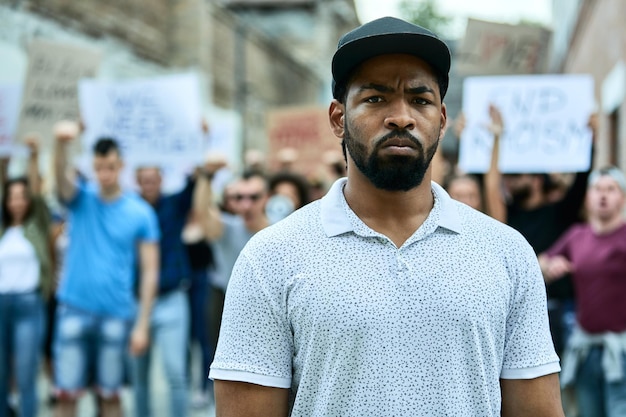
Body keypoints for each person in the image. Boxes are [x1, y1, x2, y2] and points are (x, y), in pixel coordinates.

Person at [209, 16, 563, 416]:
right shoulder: (270, 257)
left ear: (441, 121)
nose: (401, 116)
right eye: (375, 98)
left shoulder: (507, 253)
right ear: (338, 118)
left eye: (420, 99)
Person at [52, 121, 159, 417]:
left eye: (110, 166)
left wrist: (142, 323)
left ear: (121, 165)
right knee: (66, 395)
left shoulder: (140, 212)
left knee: (111, 397)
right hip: (74, 308)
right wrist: (60, 145)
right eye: (99, 167)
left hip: (116, 312)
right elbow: (60, 179)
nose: (104, 174)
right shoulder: (81, 199)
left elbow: (150, 271)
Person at [539, 166, 626, 417]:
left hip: (620, 350)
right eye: (598, 189)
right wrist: (549, 266)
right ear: (588, 197)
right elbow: (539, 263)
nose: (603, 195)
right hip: (585, 348)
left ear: (621, 197)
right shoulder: (577, 235)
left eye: (611, 189)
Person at [133, 166, 206, 417]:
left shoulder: (174, 205)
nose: (149, 185)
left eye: (153, 180)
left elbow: (192, 188)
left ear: (161, 180)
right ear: (138, 182)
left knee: (176, 372)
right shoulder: (131, 211)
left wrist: (197, 169)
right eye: (144, 181)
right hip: (138, 300)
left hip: (172, 296)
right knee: (138, 376)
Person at [0, 137, 52, 417]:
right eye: (12, 197)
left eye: (22, 196)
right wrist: (4, 162)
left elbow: (37, 193)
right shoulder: (3, 230)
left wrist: (34, 155)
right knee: (0, 376)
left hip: (28, 305)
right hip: (0, 304)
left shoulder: (37, 223)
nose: (17, 202)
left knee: (25, 375)